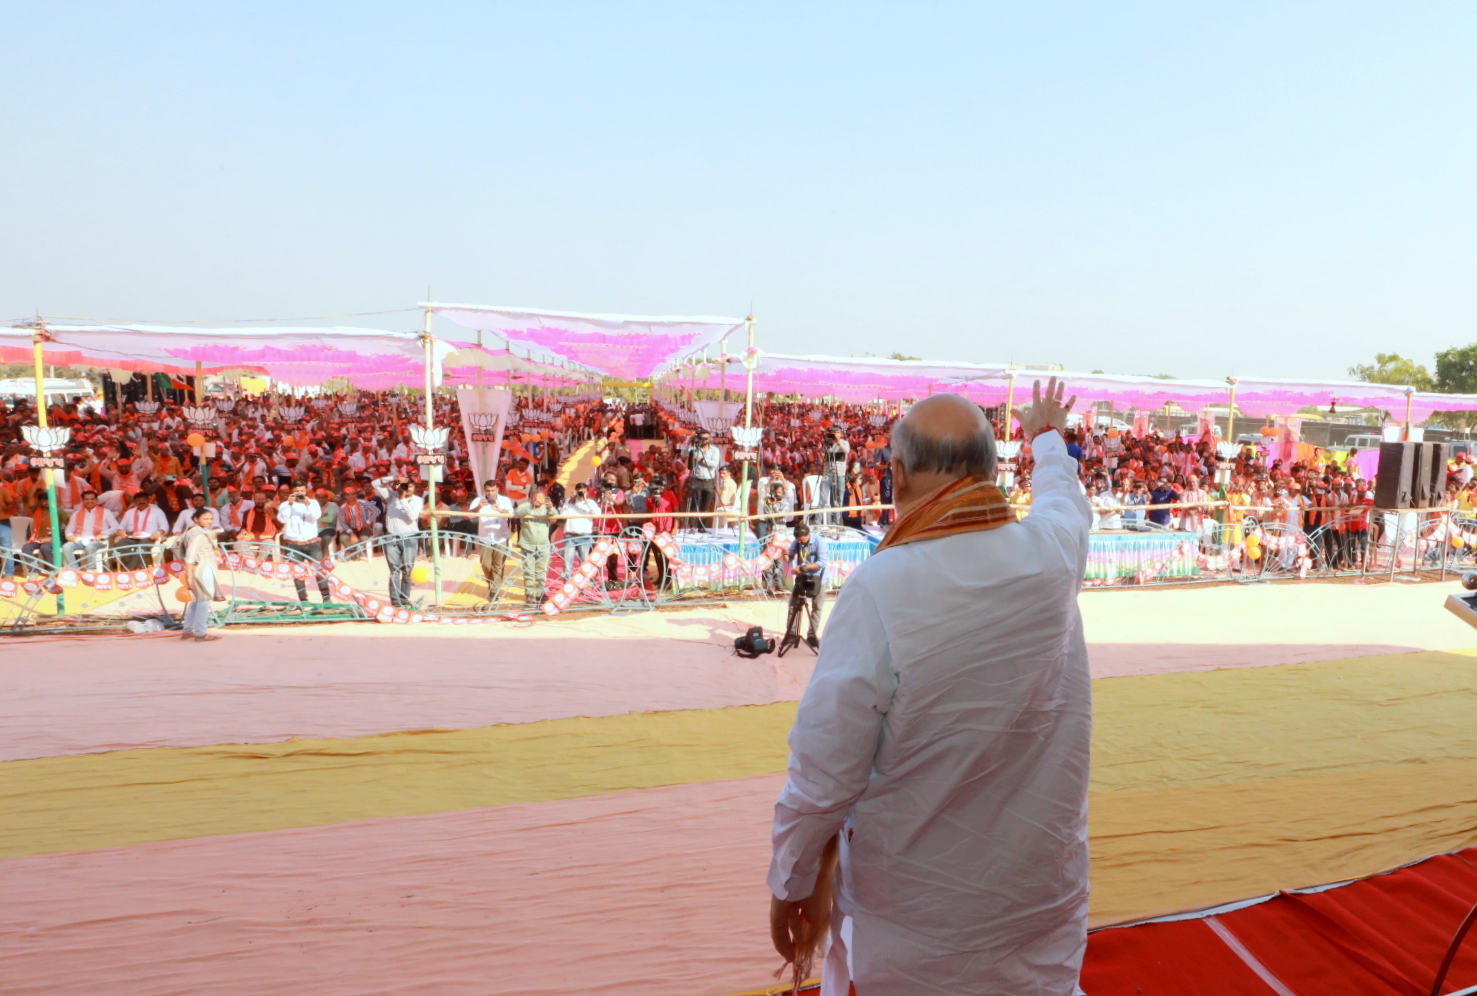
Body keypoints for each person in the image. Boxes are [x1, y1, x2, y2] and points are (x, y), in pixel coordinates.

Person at [768, 380, 1091, 996]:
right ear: (989, 471)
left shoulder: (880, 589)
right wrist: (1048, 437)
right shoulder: (1052, 555)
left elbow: (824, 775)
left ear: (897, 474)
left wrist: (792, 884)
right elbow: (1064, 500)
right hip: (1043, 898)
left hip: (922, 927)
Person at [276, 483, 333, 606]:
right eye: (297, 491)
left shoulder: (313, 503)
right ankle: (304, 600)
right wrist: (290, 504)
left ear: (306, 491)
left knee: (320, 571)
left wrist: (306, 503)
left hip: (311, 543)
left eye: (302, 490)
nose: (299, 493)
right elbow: (282, 520)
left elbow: (316, 516)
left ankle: (326, 598)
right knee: (298, 574)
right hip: (293, 544)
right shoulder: (285, 505)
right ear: (292, 491)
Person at [372, 474, 424, 608]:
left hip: (410, 537)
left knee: (407, 570)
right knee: (394, 570)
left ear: (414, 488)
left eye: (410, 486)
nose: (407, 489)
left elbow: (412, 517)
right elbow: (375, 483)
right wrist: (393, 478)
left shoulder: (417, 500)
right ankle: (395, 602)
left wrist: (402, 500)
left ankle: (405, 599)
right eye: (405, 486)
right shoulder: (391, 496)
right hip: (392, 536)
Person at [179, 507, 224, 642]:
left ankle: (187, 630)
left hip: (201, 567)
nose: (209, 521)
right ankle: (200, 633)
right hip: (204, 568)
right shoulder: (198, 535)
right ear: (196, 519)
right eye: (205, 519)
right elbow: (190, 556)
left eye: (211, 519)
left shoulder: (190, 532)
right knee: (204, 601)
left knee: (197, 600)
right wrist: (189, 576)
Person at [782, 522, 828, 650]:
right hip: (802, 578)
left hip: (818, 578)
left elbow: (821, 563)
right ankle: (790, 633)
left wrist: (803, 567)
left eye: (802, 541)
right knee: (793, 605)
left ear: (808, 534)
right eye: (798, 541)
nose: (800, 543)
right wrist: (785, 554)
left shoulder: (820, 542)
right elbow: (789, 558)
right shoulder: (797, 542)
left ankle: (812, 635)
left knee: (816, 607)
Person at [468, 479, 515, 594]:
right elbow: (469, 516)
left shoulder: (505, 500)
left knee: (498, 565)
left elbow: (512, 515)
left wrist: (500, 510)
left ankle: (495, 590)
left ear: (497, 489)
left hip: (501, 537)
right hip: (485, 538)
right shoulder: (478, 500)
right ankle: (491, 582)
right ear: (485, 490)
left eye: (493, 490)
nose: (490, 493)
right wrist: (478, 507)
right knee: (485, 564)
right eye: (488, 491)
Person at [515, 486, 555, 607]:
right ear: (531, 498)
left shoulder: (546, 508)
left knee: (541, 570)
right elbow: (518, 513)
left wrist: (551, 508)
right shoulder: (524, 506)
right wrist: (531, 505)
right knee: (529, 570)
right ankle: (529, 594)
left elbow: (554, 518)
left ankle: (540, 593)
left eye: (541, 498)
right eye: (536, 498)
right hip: (528, 544)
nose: (538, 500)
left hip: (543, 545)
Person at [62, 489, 118, 570]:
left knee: (90, 547)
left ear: (97, 500)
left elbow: (115, 527)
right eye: (87, 499)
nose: (89, 501)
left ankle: (90, 570)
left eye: (92, 499)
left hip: (99, 540)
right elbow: (69, 528)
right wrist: (70, 535)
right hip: (80, 540)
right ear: (82, 501)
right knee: (66, 547)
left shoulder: (106, 512)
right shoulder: (77, 514)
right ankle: (75, 570)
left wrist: (104, 534)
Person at [113, 491, 169, 569]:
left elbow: (164, 526)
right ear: (135, 501)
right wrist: (120, 531)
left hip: (149, 536)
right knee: (119, 545)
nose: (142, 502)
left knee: (141, 546)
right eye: (139, 500)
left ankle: (130, 570)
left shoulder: (157, 511)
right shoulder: (129, 512)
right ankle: (141, 565)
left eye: (144, 500)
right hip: (132, 536)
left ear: (148, 500)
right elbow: (121, 526)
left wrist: (158, 533)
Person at [684, 429, 721, 530]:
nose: (704, 440)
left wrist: (702, 459)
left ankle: (702, 526)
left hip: (709, 480)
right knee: (695, 503)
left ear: (710, 439)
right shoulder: (694, 449)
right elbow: (688, 465)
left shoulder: (715, 450)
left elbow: (714, 464)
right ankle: (692, 525)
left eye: (706, 438)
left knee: (706, 504)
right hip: (697, 479)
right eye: (702, 438)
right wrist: (690, 443)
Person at [561, 481, 600, 572]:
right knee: (567, 564)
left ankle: (584, 585)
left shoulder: (591, 502)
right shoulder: (569, 501)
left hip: (584, 536)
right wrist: (570, 502)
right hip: (570, 535)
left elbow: (598, 514)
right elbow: (563, 514)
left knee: (584, 564)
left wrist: (586, 501)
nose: (581, 493)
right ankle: (567, 584)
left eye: (584, 491)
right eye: (579, 491)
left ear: (587, 492)